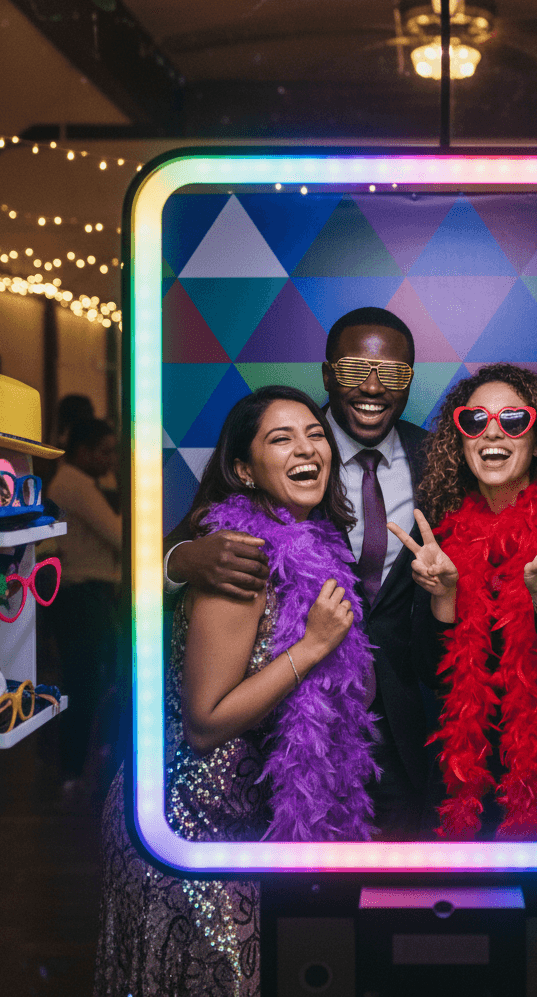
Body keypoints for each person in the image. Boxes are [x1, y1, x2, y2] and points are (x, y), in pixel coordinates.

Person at [94, 386, 376, 997]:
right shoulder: (237, 559)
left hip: (240, 821)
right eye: (281, 438)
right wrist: (312, 646)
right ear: (244, 470)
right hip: (185, 826)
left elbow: (356, 685)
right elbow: (205, 720)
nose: (307, 448)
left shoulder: (319, 544)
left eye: (315, 434)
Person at [165, 308, 431, 838]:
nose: (373, 387)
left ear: (410, 380)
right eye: (355, 371)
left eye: (392, 374)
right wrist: (183, 561)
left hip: (403, 727)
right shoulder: (278, 465)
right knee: (306, 907)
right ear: (329, 374)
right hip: (274, 750)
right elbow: (183, 542)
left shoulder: (436, 456)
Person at [392, 363, 537, 841]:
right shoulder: (436, 536)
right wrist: (444, 600)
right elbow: (426, 671)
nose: (491, 433)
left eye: (513, 420)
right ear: (460, 441)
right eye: (475, 421)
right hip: (469, 785)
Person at [45, 417, 122, 792]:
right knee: (86, 683)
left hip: (81, 593)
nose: (110, 460)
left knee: (91, 680)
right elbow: (120, 535)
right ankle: (73, 770)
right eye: (104, 451)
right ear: (82, 451)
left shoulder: (73, 482)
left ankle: (76, 768)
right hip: (83, 594)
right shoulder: (74, 484)